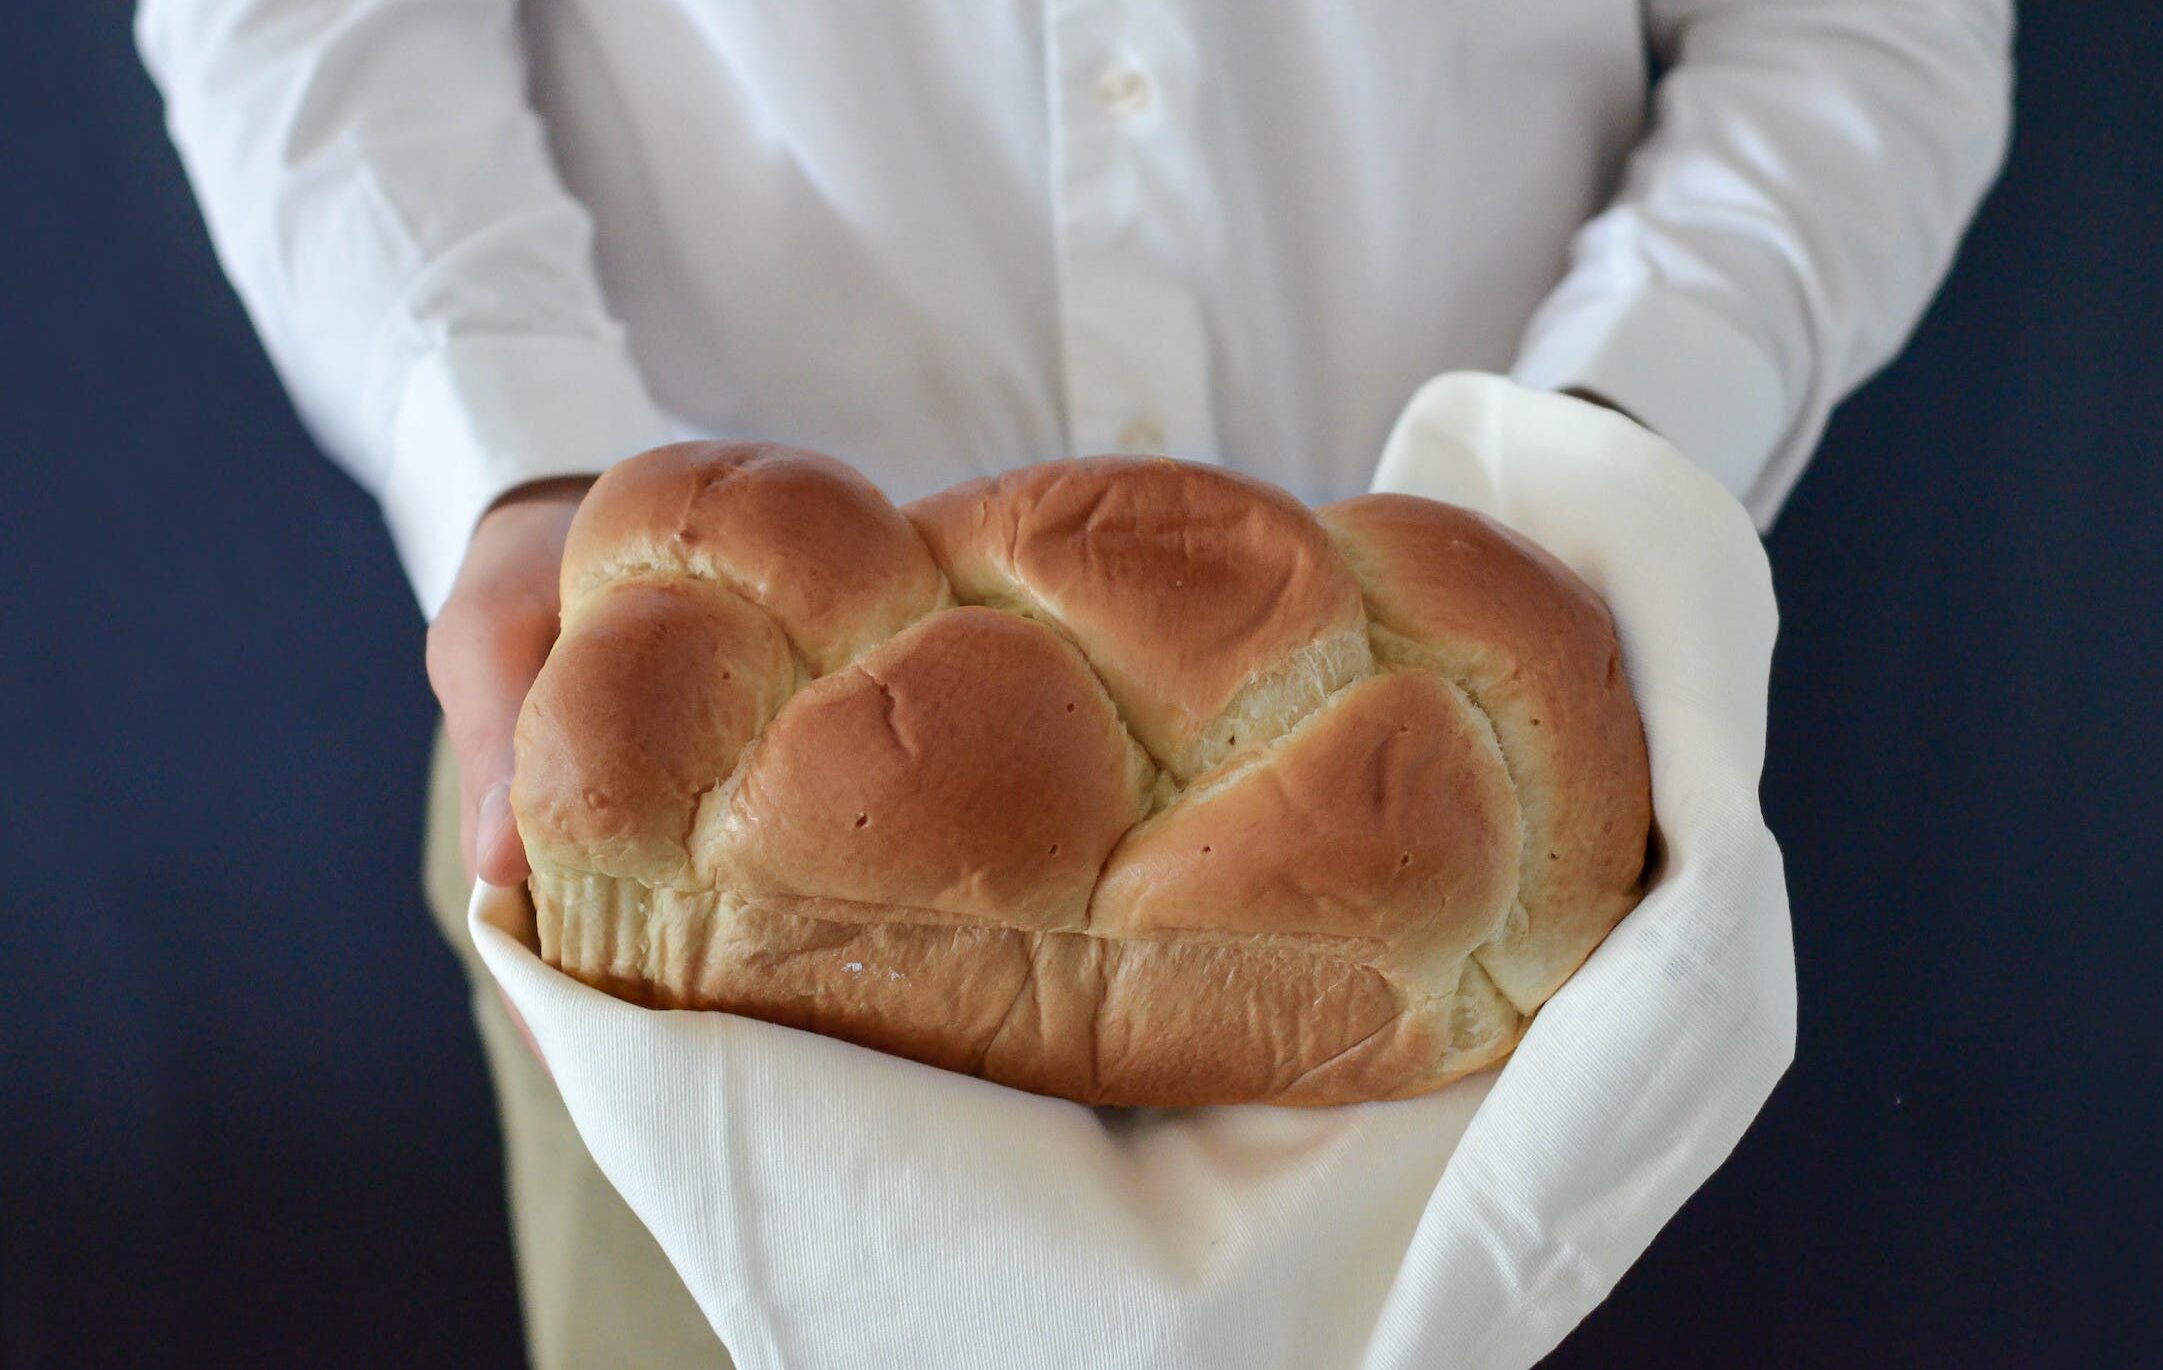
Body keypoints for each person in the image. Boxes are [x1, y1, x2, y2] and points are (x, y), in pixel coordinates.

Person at [138, 2, 2013, 1364]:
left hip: (1490, 871)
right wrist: (516, 457)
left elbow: (1869, 26)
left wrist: (1602, 457)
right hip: (672, 832)